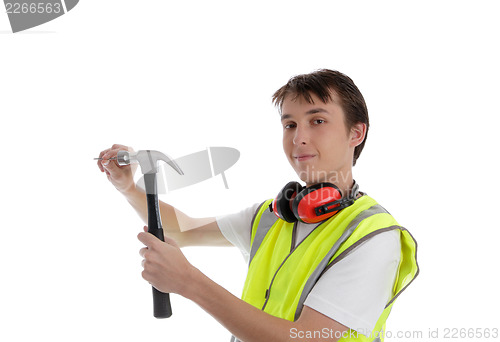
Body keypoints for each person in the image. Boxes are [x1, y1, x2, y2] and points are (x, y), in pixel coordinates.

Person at [96, 69, 418, 342]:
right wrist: (128, 187)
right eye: (290, 124)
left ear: (356, 133)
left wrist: (189, 282)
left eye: (317, 121)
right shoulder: (271, 216)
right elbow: (182, 230)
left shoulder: (373, 238)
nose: (298, 138)